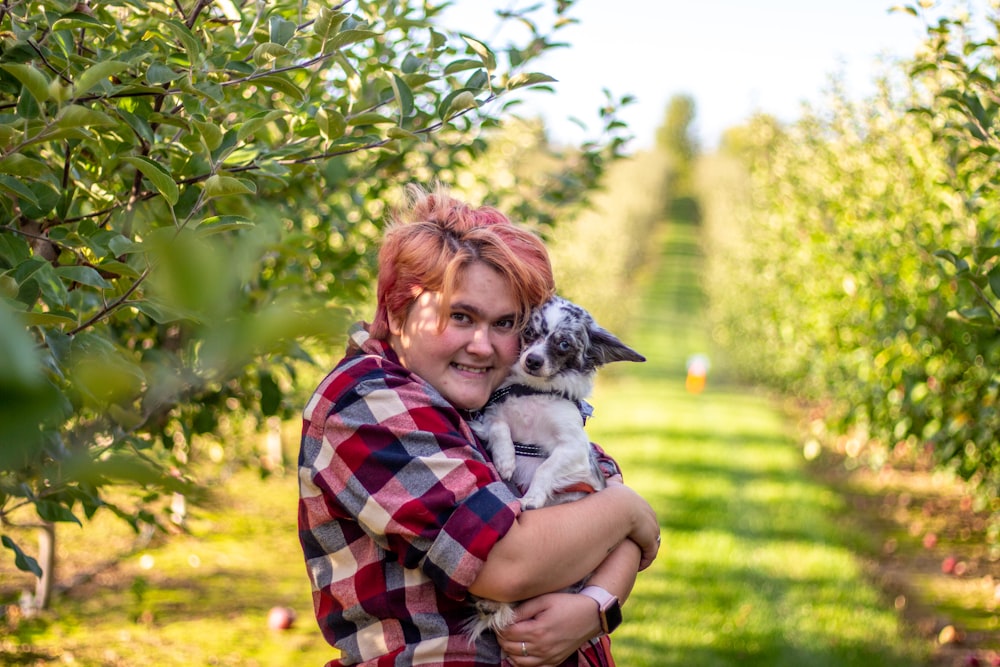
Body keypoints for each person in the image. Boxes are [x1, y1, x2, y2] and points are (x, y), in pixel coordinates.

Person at [298, 184, 660, 667]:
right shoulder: (369, 403)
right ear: (398, 310)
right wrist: (630, 511)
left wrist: (597, 605)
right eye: (461, 316)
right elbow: (506, 564)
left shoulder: (488, 395)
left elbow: (610, 509)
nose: (483, 346)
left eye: (506, 324)